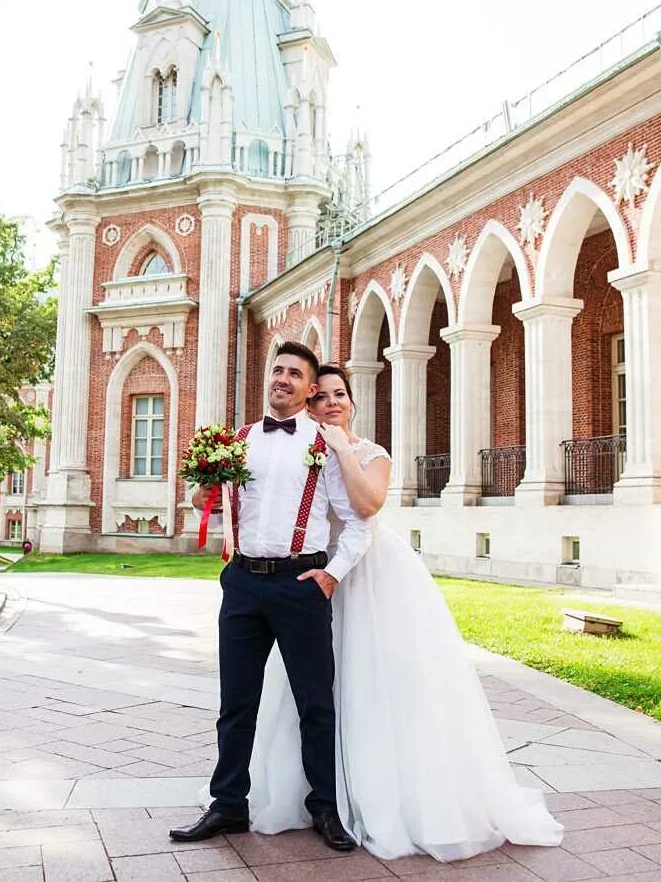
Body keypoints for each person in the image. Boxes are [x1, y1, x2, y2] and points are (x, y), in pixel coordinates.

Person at [246, 364, 564, 861]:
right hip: (306, 576)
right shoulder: (294, 450)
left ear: (351, 403)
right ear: (307, 404)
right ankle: (314, 794)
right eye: (321, 397)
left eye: (340, 395)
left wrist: (340, 449)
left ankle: (378, 795)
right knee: (310, 690)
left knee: (374, 682)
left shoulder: (370, 454)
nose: (332, 403)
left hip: (367, 576)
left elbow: (368, 507)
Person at [170, 342, 370, 853]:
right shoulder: (235, 441)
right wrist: (203, 498)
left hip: (301, 586)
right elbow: (213, 509)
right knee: (236, 702)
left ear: (308, 390)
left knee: (315, 702)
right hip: (242, 584)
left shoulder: (326, 445)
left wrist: (332, 575)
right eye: (277, 370)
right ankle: (228, 804)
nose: (282, 379)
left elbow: (356, 522)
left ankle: (325, 807)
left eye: (294, 374)